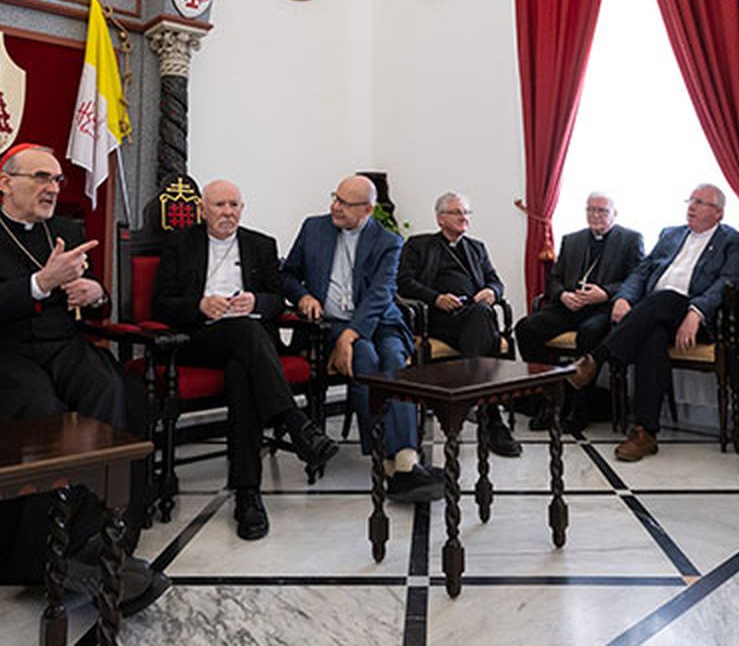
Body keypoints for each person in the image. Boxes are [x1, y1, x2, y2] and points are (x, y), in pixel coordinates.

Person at [0, 143, 167, 611]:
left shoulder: (64, 230)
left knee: (115, 393)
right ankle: (46, 551)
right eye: (41, 177)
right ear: (5, 183)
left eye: (57, 180)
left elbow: (95, 296)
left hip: (61, 344)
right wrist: (40, 283)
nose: (52, 188)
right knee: (45, 415)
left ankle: (101, 537)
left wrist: (94, 289)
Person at [151, 179, 339, 539]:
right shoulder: (180, 243)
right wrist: (199, 305)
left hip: (249, 347)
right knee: (246, 333)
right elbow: (159, 303)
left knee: (242, 372)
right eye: (219, 205)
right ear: (203, 210)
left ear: (242, 209)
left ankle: (247, 496)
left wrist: (256, 302)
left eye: (234, 205)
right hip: (200, 338)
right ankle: (295, 421)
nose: (227, 212)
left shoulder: (260, 244)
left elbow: (275, 299)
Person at [282, 175, 444, 503]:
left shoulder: (388, 241)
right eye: (335, 198)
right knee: (365, 359)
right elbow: (286, 273)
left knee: (395, 363)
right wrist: (302, 297)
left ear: (367, 209)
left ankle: (402, 458)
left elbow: (380, 294)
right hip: (329, 326)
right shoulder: (314, 228)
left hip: (381, 322)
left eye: (344, 203)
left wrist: (352, 334)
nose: (334, 207)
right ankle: (390, 458)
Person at [569, 184, 739, 462]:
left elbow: (731, 282)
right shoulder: (671, 234)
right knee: (651, 337)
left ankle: (595, 358)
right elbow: (641, 272)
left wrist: (697, 311)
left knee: (665, 297)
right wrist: (623, 298)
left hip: (696, 319)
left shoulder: (735, 241)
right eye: (690, 200)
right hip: (653, 315)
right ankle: (645, 433)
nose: (691, 206)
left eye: (700, 203)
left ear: (718, 213)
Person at [400, 192, 520, 457]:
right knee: (484, 324)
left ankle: (472, 405)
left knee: (481, 314)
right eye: (456, 212)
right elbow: (404, 283)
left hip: (471, 317)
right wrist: (436, 298)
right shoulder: (418, 245)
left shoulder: (477, 247)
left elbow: (495, 280)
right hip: (437, 320)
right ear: (440, 218)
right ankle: (491, 418)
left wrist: (492, 292)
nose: (464, 217)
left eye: (466, 212)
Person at [515, 192, 644, 433]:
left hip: (603, 309)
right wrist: (563, 295)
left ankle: (579, 408)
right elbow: (554, 279)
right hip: (569, 306)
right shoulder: (571, 240)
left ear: (614, 214)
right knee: (526, 328)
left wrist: (605, 292)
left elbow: (636, 278)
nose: (595, 215)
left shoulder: (630, 239)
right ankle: (549, 399)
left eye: (602, 211)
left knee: (588, 333)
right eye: (590, 210)